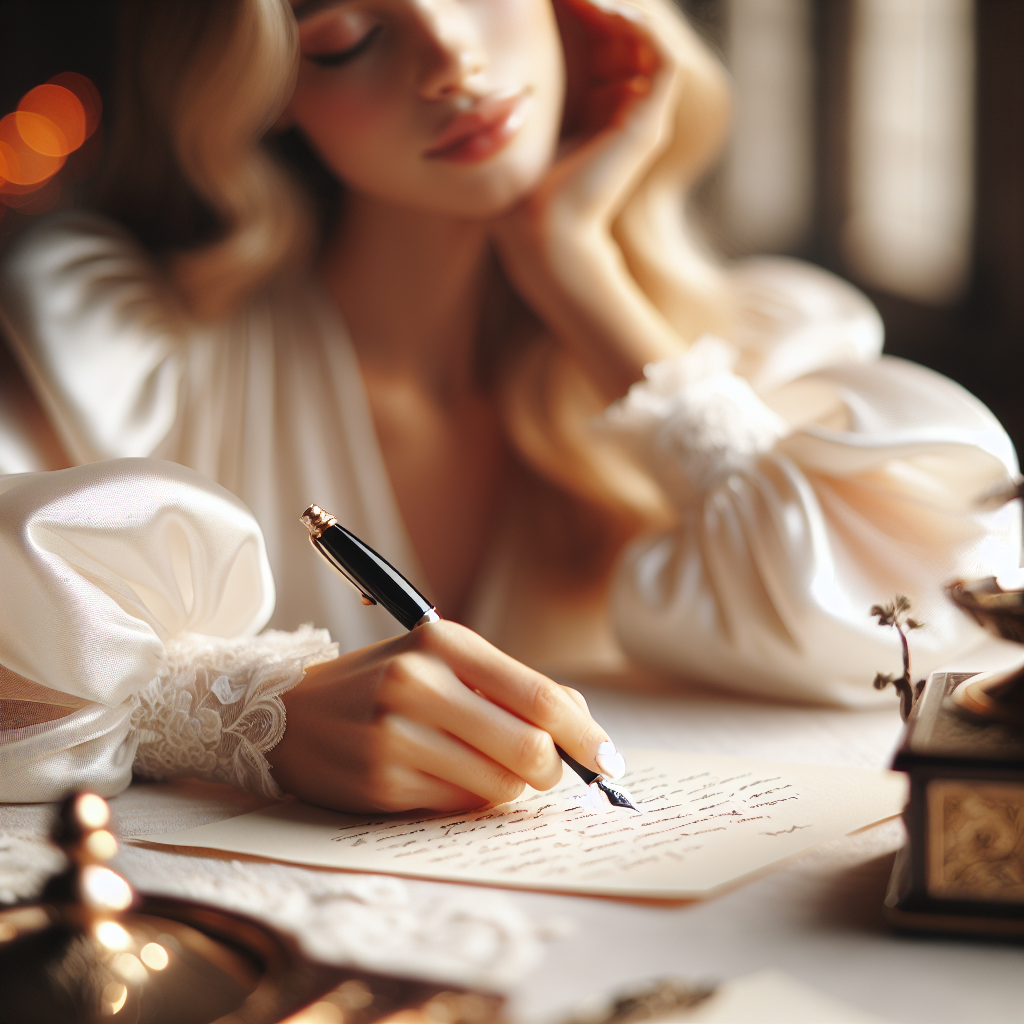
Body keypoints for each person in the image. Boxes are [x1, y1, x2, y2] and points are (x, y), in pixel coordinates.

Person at [0, 0, 1017, 810]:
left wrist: (581, 279)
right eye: (350, 38)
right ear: (264, 85)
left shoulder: (750, 345)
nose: (451, 57)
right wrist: (239, 711)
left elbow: (955, 617)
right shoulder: (127, 352)